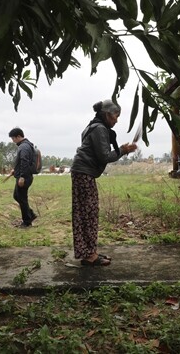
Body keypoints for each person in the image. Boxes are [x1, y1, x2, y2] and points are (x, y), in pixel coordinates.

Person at [70, 99, 137, 266]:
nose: (116, 120)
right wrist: (123, 150)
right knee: (89, 214)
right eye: (116, 116)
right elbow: (104, 156)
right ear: (107, 114)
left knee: (84, 214)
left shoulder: (93, 126)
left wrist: (121, 150)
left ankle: (89, 251)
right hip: (84, 174)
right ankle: (89, 256)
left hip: (82, 172)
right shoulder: (100, 129)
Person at [8, 127, 37, 228]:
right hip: (24, 175)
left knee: (22, 198)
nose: (13, 141)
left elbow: (24, 161)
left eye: (13, 138)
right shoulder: (26, 145)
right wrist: (15, 171)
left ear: (19, 136)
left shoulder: (24, 147)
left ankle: (27, 222)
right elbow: (23, 162)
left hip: (24, 177)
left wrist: (22, 177)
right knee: (17, 196)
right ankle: (30, 215)